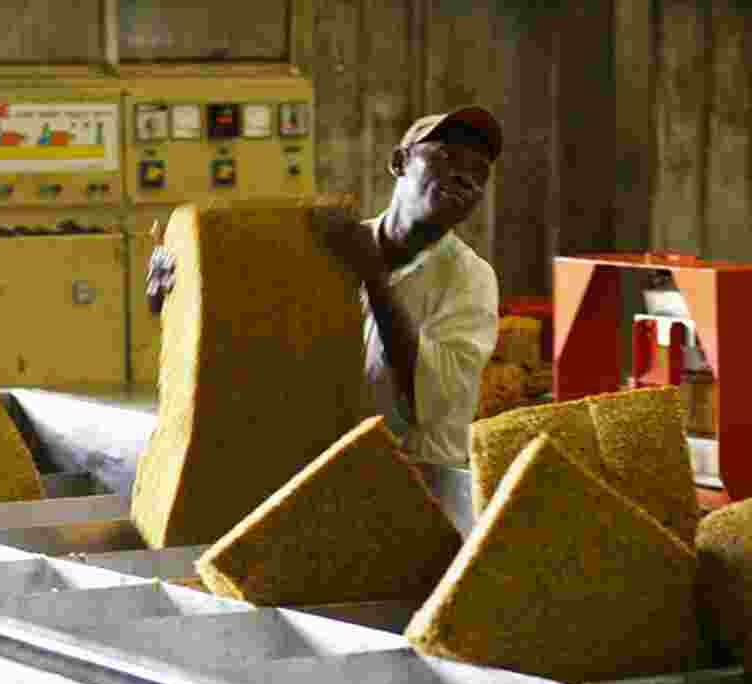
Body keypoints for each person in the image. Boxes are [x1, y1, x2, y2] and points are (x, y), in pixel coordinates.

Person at [147, 106, 502, 468]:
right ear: (399, 162)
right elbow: (247, 344)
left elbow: (429, 397)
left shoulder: (471, 280)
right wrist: (177, 294)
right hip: (331, 472)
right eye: (447, 157)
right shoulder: (325, 252)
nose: (465, 178)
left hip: (421, 482)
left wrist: (374, 280)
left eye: (479, 173)